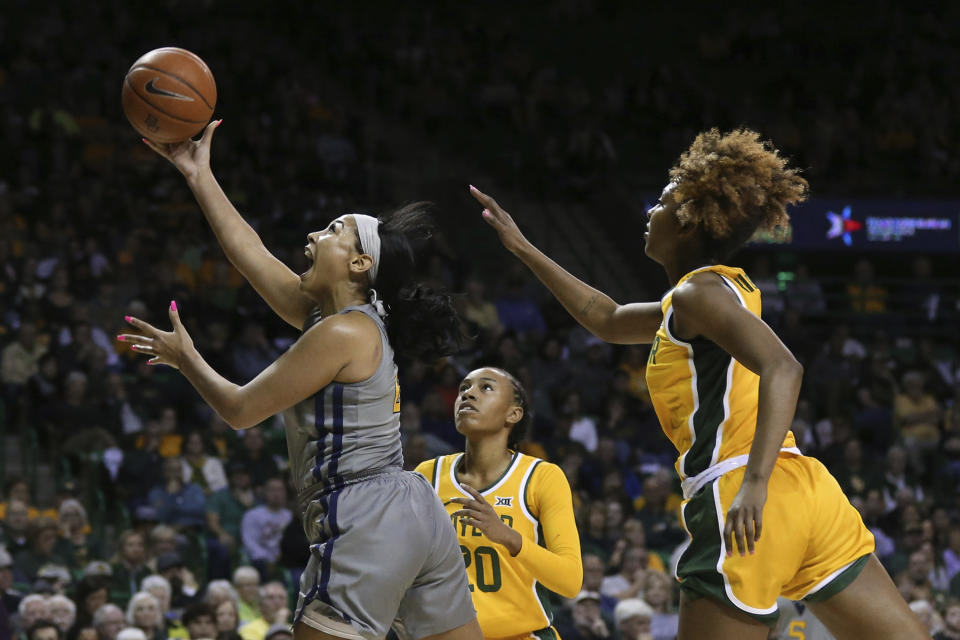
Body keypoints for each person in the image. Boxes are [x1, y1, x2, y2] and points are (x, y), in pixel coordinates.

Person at [472, 128, 928, 639]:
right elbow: (607, 317)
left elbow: (785, 368)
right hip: (807, 492)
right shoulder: (706, 294)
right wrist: (523, 246)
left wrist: (752, 485)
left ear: (690, 222)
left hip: (741, 491)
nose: (651, 211)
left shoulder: (697, 293)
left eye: (664, 203)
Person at [129, 122, 479, 640]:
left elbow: (241, 410)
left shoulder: (341, 331)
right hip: (415, 510)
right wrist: (199, 174)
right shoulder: (345, 320)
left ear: (360, 263)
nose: (313, 236)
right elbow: (248, 252)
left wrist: (187, 359)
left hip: (363, 514)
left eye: (334, 230)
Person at [415, 367, 582, 638]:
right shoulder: (427, 476)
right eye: (464, 388)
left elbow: (570, 581)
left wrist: (509, 538)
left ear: (513, 413)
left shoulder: (541, 477)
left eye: (486, 387)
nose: (468, 394)